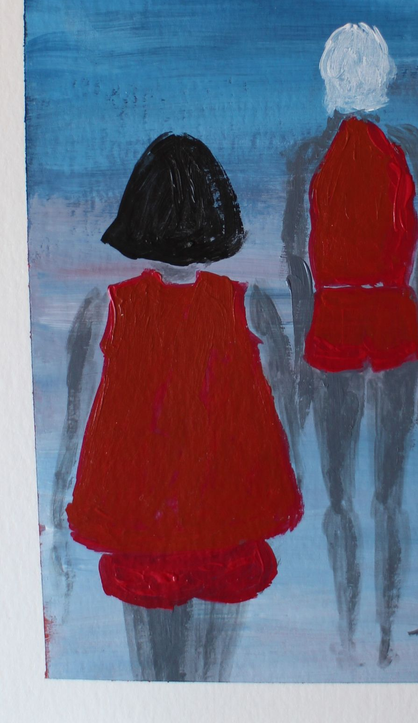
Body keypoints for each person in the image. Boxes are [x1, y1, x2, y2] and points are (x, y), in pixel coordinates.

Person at [52, 133, 303, 682]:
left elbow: (75, 424)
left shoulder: (105, 308)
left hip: (142, 533)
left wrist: (55, 510)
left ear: (139, 210)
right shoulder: (250, 303)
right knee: (210, 683)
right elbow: (287, 411)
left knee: (156, 685)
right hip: (229, 528)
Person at [282, 23, 418, 667]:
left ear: (329, 78)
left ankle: (347, 631)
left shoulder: (309, 156)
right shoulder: (412, 149)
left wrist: (302, 349)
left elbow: (296, 259)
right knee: (389, 496)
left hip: (336, 316)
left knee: (340, 495)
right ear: (383, 77)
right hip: (396, 312)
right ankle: (386, 636)